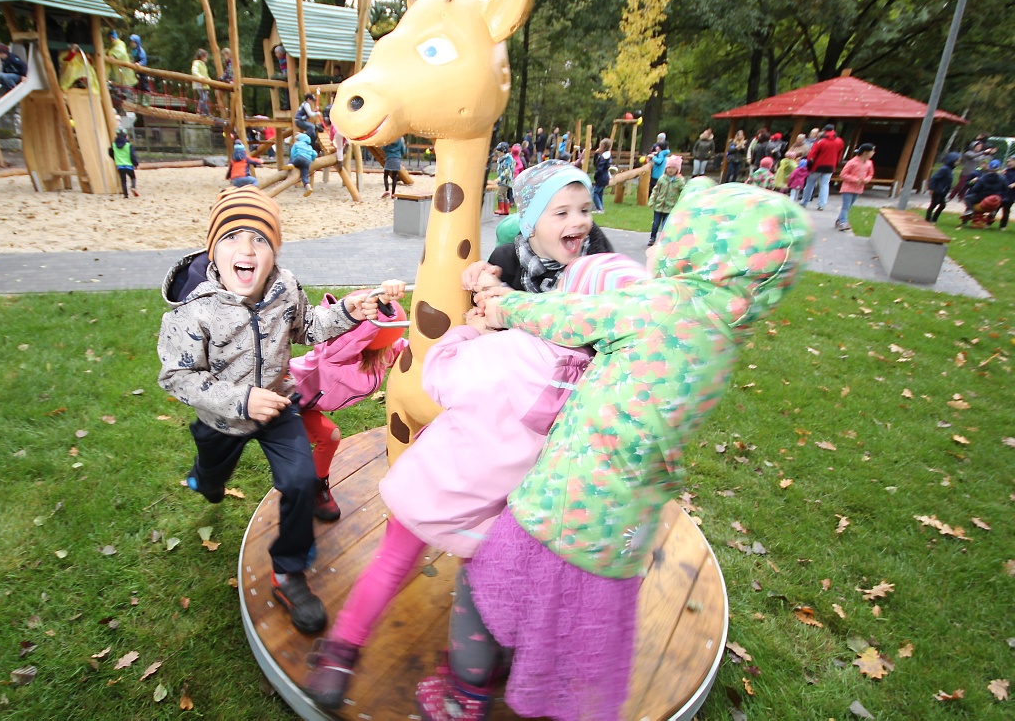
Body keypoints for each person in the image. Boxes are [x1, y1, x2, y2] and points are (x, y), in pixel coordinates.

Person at [414, 181, 812, 721]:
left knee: (486, 584)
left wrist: (507, 304)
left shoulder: (664, 301)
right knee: (574, 612)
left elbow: (569, 319)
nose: (657, 244)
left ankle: (464, 696)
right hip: (627, 520)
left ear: (699, 246)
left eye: (674, 232)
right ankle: (544, 683)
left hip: (567, 493)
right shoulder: (722, 334)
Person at [304, 254, 648, 710]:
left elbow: (440, 379)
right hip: (496, 514)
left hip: (433, 488)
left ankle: (341, 654)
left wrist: (470, 333)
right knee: (482, 594)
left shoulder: (512, 351)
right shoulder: (603, 382)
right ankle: (476, 670)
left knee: (389, 566)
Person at [156, 186, 399, 635]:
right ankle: (207, 479)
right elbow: (178, 376)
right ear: (214, 248)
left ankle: (288, 572)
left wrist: (349, 308)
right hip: (222, 418)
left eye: (261, 240)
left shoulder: (284, 288)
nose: (246, 249)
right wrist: (240, 399)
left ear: (274, 252)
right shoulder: (193, 310)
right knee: (212, 476)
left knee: (300, 480)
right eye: (233, 238)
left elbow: (310, 325)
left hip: (277, 405)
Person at [291, 289, 408, 524]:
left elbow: (410, 346)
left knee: (328, 436)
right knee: (230, 438)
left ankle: (316, 485)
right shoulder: (337, 353)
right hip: (285, 398)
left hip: (311, 403)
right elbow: (353, 340)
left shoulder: (382, 353)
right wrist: (381, 311)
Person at [461, 160, 614, 295]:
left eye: (584, 210)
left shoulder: (599, 268)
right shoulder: (505, 261)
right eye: (562, 213)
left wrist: (510, 300)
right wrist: (481, 282)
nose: (579, 221)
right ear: (530, 225)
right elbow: (481, 312)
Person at [802, 124, 845, 210]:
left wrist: (809, 164)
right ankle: (822, 204)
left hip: (817, 166)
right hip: (830, 166)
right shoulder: (840, 141)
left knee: (810, 183)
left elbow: (811, 155)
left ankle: (805, 201)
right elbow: (839, 155)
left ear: (824, 131)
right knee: (825, 185)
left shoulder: (820, 142)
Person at [835, 143, 875, 232]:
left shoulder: (869, 163)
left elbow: (870, 174)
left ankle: (839, 220)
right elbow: (843, 174)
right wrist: (855, 179)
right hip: (848, 188)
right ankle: (843, 222)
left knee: (849, 206)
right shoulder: (852, 162)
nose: (873, 153)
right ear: (865, 152)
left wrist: (866, 179)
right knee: (846, 206)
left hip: (858, 188)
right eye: (872, 151)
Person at [647, 154, 686, 246]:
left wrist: (681, 202)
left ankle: (663, 240)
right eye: (669, 167)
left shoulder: (679, 181)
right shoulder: (662, 179)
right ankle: (652, 237)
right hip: (659, 206)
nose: (670, 170)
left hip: (670, 207)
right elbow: (655, 190)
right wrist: (652, 200)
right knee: (656, 224)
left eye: (673, 168)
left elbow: (683, 192)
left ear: (677, 169)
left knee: (666, 225)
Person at [961, 159, 1007, 224]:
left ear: (989, 167)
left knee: (967, 198)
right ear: (999, 168)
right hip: (996, 197)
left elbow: (975, 189)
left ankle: (970, 210)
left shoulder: (983, 177)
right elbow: (1005, 188)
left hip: (982, 196)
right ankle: (993, 211)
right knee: (999, 200)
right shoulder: (1002, 178)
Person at [925, 152, 958, 223]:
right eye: (957, 161)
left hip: (943, 191)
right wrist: (932, 188)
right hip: (938, 190)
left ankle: (934, 219)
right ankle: (928, 219)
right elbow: (934, 178)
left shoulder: (950, 170)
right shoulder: (944, 169)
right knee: (934, 204)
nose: (958, 163)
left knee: (942, 205)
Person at [107, 129, 139, 198]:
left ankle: (125, 195)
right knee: (133, 177)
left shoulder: (114, 145)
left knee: (123, 181)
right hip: (129, 165)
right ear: (125, 136)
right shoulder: (128, 145)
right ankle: (133, 187)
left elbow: (110, 153)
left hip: (120, 165)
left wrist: (115, 159)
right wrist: (135, 164)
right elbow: (132, 155)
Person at [290, 131, 318, 197]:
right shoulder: (309, 147)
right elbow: (315, 154)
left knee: (291, 161)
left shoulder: (297, 144)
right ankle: (308, 187)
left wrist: (293, 159)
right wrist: (311, 159)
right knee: (304, 176)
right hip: (307, 162)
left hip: (299, 158)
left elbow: (292, 153)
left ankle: (290, 165)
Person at [591, 138, 613, 212]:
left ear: (603, 146)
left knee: (595, 193)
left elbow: (599, 167)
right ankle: (600, 207)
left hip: (601, 177)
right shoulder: (606, 155)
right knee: (600, 193)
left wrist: (596, 176)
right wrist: (596, 154)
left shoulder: (604, 157)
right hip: (605, 176)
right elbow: (595, 164)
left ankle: (599, 209)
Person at [191, 49, 211, 116]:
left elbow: (206, 75)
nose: (206, 59)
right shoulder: (196, 63)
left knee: (205, 98)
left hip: (205, 84)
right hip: (199, 83)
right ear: (202, 57)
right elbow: (194, 71)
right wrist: (200, 77)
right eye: (205, 57)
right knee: (203, 97)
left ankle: (206, 111)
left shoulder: (204, 65)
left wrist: (209, 80)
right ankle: (200, 110)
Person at [1000, 156, 1015, 229]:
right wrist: (1001, 174)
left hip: (1010, 194)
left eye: (1011, 161)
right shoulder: (1006, 170)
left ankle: (1003, 226)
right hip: (1002, 192)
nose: (1009, 163)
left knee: (1006, 210)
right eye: (1008, 161)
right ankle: (989, 222)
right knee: (995, 207)